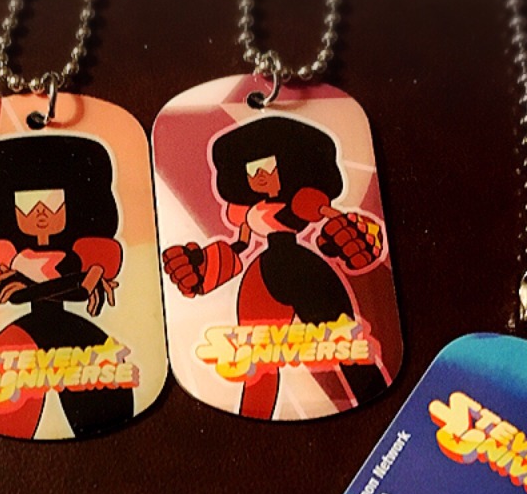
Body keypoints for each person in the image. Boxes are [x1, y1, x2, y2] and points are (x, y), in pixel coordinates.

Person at [162, 116, 387, 418]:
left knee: (350, 348)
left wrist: (354, 233)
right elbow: (240, 246)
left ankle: (375, 395)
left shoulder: (304, 202)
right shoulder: (249, 213)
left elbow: (331, 217)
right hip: (262, 277)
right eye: (253, 169)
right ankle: (252, 414)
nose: (262, 176)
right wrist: (203, 268)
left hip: (307, 271)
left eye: (270, 166)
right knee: (256, 366)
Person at [0, 135, 131, 438]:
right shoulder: (12, 262)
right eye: (27, 204)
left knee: (105, 398)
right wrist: (77, 282)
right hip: (22, 340)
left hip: (78, 341)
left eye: (53, 202)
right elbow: (15, 296)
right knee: (0, 401)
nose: (41, 213)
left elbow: (77, 290)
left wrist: (70, 282)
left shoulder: (75, 257)